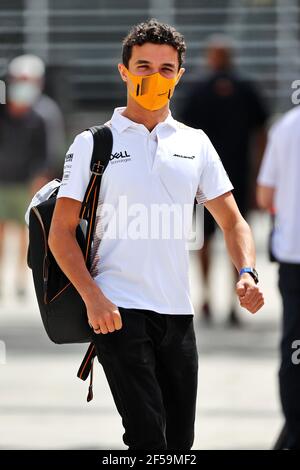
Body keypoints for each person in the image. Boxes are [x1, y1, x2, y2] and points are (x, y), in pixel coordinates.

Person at [49, 19, 264, 450]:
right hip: (116, 311)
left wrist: (248, 272)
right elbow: (60, 233)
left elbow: (234, 221)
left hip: (178, 315)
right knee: (149, 442)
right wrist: (94, 298)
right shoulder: (94, 143)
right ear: (124, 72)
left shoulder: (196, 143)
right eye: (143, 66)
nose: (154, 76)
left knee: (179, 446)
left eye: (166, 69)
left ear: (180, 75)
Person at [181, 34, 268, 326]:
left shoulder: (240, 90)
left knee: (231, 233)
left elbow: (261, 134)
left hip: (231, 177)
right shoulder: (204, 90)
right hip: (212, 176)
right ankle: (208, 298)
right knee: (210, 239)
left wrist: (259, 176)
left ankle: (231, 299)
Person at [257, 106, 300, 450]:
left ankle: (294, 428)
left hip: (293, 256)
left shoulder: (286, 125)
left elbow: (264, 195)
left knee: (295, 349)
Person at [0, 60, 47, 298]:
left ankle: (19, 278)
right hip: (1, 182)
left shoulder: (40, 114)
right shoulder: (2, 108)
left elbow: (43, 153)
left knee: (21, 232)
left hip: (23, 183)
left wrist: (38, 181)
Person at [8, 54, 66, 181]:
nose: (23, 85)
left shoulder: (47, 113)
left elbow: (51, 156)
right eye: (19, 80)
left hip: (29, 185)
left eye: (28, 80)